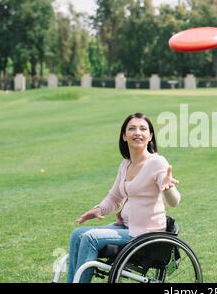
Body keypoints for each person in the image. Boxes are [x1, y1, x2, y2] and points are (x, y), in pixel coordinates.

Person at [66, 113, 181, 283]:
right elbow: (115, 196)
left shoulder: (157, 163)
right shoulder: (126, 164)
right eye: (132, 128)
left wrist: (168, 188)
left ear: (150, 136)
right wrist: (99, 209)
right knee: (77, 234)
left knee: (90, 238)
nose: (137, 132)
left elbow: (174, 201)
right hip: (127, 227)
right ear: (124, 136)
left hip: (145, 233)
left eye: (143, 129)